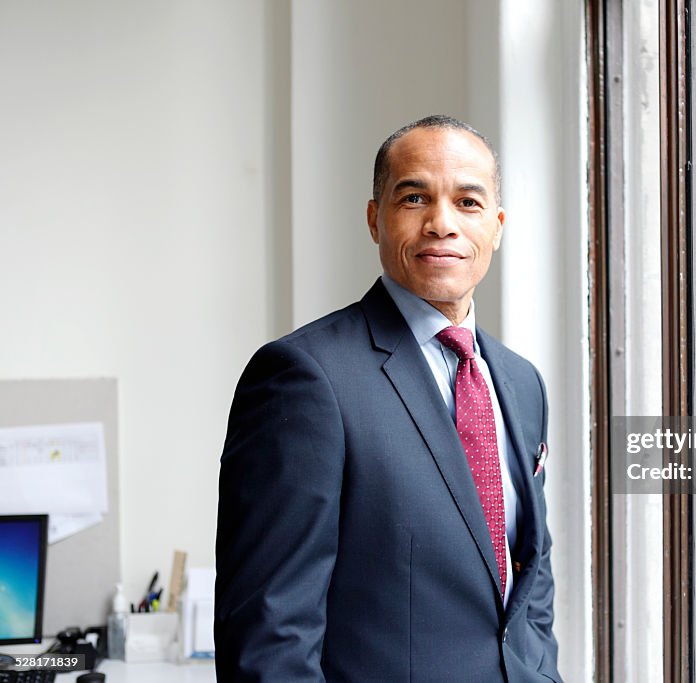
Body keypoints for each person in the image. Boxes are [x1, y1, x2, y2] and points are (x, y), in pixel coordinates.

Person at [214, 115, 561, 682]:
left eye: (468, 203)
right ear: (375, 219)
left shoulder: (521, 383)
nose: (442, 223)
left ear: (496, 227)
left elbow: (530, 577)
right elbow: (269, 630)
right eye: (414, 197)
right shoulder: (305, 377)